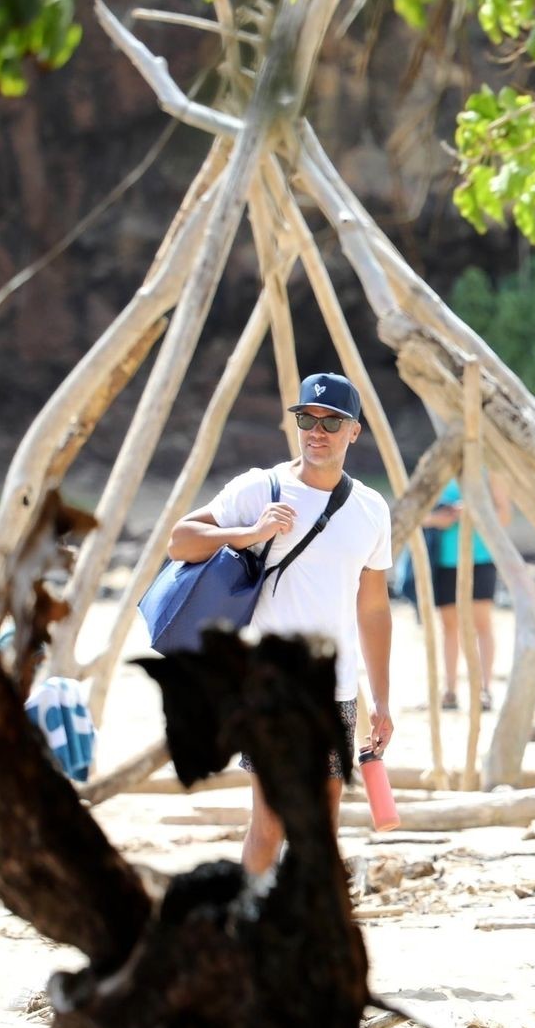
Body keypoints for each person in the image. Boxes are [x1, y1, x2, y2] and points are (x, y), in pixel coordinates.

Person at [168, 373, 395, 876]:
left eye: (331, 422)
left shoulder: (371, 509)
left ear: (354, 431)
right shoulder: (261, 488)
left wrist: (381, 699)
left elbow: (374, 609)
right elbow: (180, 541)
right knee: (269, 824)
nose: (317, 431)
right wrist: (249, 532)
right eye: (307, 419)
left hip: (335, 693)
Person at [423, 474, 512, 711]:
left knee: (481, 624)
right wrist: (438, 519)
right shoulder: (437, 469)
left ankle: (485, 690)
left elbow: (504, 516)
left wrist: (475, 513)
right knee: (449, 627)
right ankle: (450, 691)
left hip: (480, 560)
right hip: (444, 562)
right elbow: (417, 516)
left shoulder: (490, 471)